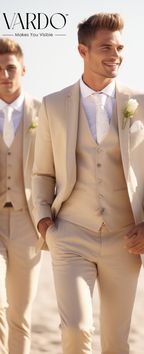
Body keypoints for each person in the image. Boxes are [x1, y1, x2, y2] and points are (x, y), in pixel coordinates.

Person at [31, 12, 144, 354]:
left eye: (120, 47)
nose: (116, 55)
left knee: (116, 340)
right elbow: (42, 173)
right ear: (83, 51)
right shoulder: (53, 105)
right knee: (76, 330)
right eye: (106, 47)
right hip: (70, 235)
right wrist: (42, 219)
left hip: (126, 239)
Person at [0, 38, 41, 354]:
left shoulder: (43, 112)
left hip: (29, 221)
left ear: (23, 68)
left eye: (10, 67)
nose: (4, 74)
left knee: (21, 315)